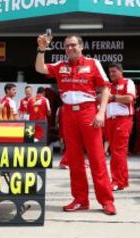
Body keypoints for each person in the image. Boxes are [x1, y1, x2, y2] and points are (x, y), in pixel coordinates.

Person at [35, 34, 116, 215]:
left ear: (81, 46)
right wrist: (41, 49)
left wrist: (101, 112)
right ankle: (80, 199)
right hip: (68, 113)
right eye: (67, 46)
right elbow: (40, 68)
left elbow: (105, 88)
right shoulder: (60, 66)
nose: (70, 48)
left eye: (73, 45)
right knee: (74, 160)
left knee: (97, 159)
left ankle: (107, 201)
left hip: (88, 112)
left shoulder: (93, 63)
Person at [105, 63, 135, 191]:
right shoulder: (108, 85)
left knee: (118, 152)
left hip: (123, 120)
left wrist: (112, 97)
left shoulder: (128, 82)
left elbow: (129, 99)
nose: (111, 74)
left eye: (114, 71)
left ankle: (117, 181)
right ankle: (123, 180)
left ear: (121, 71)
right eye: (110, 72)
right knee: (116, 152)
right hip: (110, 121)